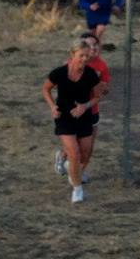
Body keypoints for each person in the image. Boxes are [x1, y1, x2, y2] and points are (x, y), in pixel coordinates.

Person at [42, 39, 104, 203]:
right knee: (74, 154)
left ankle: (70, 168)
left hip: (84, 117)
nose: (84, 59)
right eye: (81, 56)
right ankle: (77, 189)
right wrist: (52, 106)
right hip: (64, 117)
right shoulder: (59, 73)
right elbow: (45, 89)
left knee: (85, 153)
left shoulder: (90, 74)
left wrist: (85, 106)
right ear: (72, 55)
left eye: (87, 56)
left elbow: (98, 97)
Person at [55, 32, 111, 183]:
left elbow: (104, 88)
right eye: (88, 45)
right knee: (75, 147)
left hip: (92, 112)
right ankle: (64, 159)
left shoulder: (102, 66)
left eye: (95, 45)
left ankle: (79, 172)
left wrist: (103, 89)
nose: (92, 48)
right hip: (73, 112)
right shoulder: (71, 64)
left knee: (88, 148)